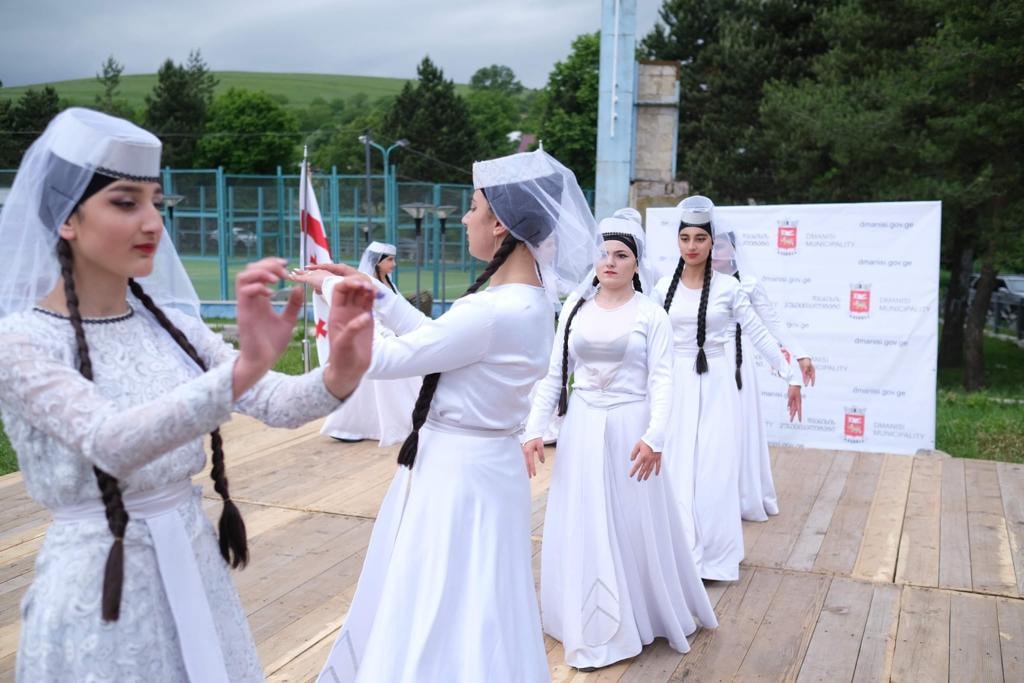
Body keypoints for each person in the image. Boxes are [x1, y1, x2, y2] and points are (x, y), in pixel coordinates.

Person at [0, 107, 375, 682]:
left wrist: (341, 371)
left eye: (155, 202)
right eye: (126, 203)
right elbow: (111, 441)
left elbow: (277, 403)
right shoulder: (22, 341)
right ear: (68, 218)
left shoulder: (172, 326)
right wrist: (242, 369)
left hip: (195, 567)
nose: (152, 222)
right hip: (101, 587)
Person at [296, 150, 599, 683]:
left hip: (456, 476)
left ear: (499, 224)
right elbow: (440, 341)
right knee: (478, 601)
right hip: (486, 469)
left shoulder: (492, 310)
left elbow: (382, 359)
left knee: (437, 597)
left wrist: (336, 293)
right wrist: (374, 294)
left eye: (473, 207)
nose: (464, 218)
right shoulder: (529, 301)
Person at [522, 208, 717, 670]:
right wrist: (533, 429)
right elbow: (554, 375)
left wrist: (655, 437)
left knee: (632, 521)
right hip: (581, 427)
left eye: (621, 255)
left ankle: (639, 612)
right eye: (603, 253)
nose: (609, 261)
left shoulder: (651, 314)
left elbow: (663, 382)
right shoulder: (575, 309)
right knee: (584, 517)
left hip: (632, 432)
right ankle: (584, 618)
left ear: (636, 263)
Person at [651, 195, 800, 582]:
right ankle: (678, 555)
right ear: (677, 241)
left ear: (712, 242)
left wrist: (791, 373)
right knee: (675, 468)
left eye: (700, 238)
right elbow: (644, 338)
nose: (692, 246)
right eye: (685, 238)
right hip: (674, 384)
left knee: (713, 469)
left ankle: (714, 557)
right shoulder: (662, 288)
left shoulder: (728, 289)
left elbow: (760, 334)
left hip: (716, 383)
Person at [711, 232, 815, 521]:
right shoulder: (693, 282)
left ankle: (740, 495)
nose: (715, 251)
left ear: (733, 250)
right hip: (703, 362)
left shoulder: (747, 284)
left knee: (738, 426)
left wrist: (800, 355)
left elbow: (772, 323)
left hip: (737, 362)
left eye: (721, 245)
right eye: (712, 245)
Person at [320, 241, 421, 446]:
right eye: (390, 260)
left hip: (389, 340)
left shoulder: (388, 283)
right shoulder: (366, 284)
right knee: (374, 383)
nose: (394, 264)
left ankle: (369, 425)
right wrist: (388, 335)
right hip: (375, 339)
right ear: (377, 262)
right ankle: (348, 426)